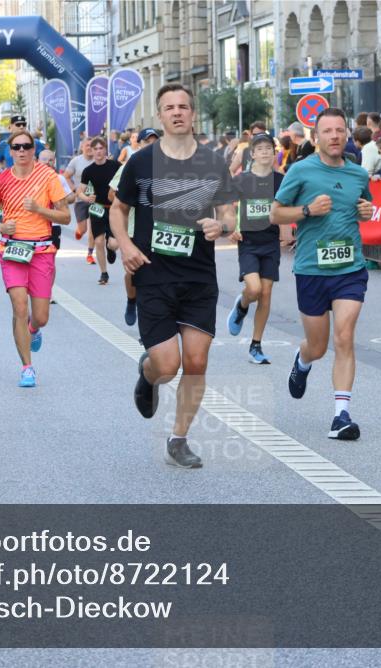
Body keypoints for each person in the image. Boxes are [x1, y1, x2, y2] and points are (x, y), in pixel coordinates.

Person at [111, 83, 238, 469]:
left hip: (199, 276)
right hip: (153, 274)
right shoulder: (140, 162)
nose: (178, 112)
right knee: (167, 367)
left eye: (184, 106)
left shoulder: (213, 162)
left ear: (192, 113)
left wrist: (222, 226)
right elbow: (117, 209)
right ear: (160, 115)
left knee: (196, 363)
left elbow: (229, 213)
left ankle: (179, 439)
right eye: (170, 107)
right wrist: (127, 245)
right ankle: (148, 375)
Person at [270, 107, 375, 440]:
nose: (334, 136)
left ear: (347, 134)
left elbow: (364, 210)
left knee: (344, 337)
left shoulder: (358, 174)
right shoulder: (301, 171)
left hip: (350, 268)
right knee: (318, 346)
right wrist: (306, 210)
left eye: (340, 130)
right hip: (312, 269)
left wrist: (367, 212)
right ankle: (302, 361)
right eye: (327, 131)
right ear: (316, 137)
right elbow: (274, 214)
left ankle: (341, 416)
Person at [0, 129, 70, 388]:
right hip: (13, 251)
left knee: (40, 316)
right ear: (10, 152)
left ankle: (33, 329)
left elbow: (65, 217)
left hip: (42, 251)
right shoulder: (1, 180)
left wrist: (40, 209)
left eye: (26, 146)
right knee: (19, 306)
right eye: (17, 147)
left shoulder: (48, 176)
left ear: (33, 149)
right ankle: (27, 367)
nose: (21, 151)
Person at [226, 132, 284, 364]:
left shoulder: (281, 180)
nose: (265, 152)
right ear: (252, 154)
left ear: (274, 152)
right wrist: (231, 228)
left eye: (268, 148)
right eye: (259, 149)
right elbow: (228, 206)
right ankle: (241, 305)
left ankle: (256, 345)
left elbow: (289, 205)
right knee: (254, 289)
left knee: (266, 293)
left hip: (270, 241)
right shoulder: (242, 179)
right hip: (248, 241)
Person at [109, 129, 159, 326]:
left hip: (156, 230)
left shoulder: (167, 165)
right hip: (131, 227)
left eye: (155, 141)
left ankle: (151, 323)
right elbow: (112, 196)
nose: (151, 145)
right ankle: (131, 301)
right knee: (133, 272)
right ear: (138, 144)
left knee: (155, 276)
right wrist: (133, 198)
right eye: (147, 142)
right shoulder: (132, 165)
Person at [77, 137, 121, 285]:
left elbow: (126, 180)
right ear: (92, 151)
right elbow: (80, 191)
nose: (98, 151)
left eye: (100, 148)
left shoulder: (115, 165)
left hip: (114, 208)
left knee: (113, 244)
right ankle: (104, 273)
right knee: (98, 240)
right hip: (97, 208)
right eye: (95, 149)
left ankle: (112, 249)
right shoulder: (88, 171)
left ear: (105, 150)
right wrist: (86, 198)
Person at [63, 137, 95, 260]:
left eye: (92, 145)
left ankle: (90, 254)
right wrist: (75, 190)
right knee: (83, 229)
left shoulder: (98, 160)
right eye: (87, 145)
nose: (89, 148)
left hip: (95, 199)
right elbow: (65, 177)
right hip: (81, 199)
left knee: (94, 229)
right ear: (82, 147)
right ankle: (79, 231)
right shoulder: (76, 161)